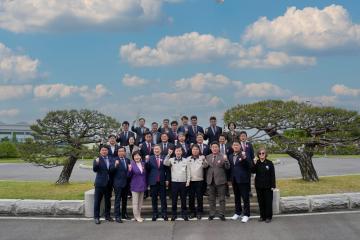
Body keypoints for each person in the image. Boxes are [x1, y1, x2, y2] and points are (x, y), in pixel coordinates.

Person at [164, 147, 191, 221]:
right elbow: (165, 163)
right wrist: (168, 154)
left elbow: (188, 171)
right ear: (175, 152)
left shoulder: (186, 160)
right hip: (174, 183)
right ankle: (174, 214)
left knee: (183, 199)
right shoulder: (171, 160)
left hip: (183, 182)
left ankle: (184, 214)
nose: (178, 152)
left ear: (181, 152)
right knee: (174, 200)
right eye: (177, 151)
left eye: (179, 151)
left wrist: (188, 181)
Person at [206, 142, 230, 221]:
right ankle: (212, 213)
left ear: (218, 148)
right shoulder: (208, 157)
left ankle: (222, 213)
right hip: (211, 181)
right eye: (213, 147)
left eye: (216, 147)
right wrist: (203, 162)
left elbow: (227, 167)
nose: (214, 148)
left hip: (220, 180)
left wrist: (226, 160)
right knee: (211, 199)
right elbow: (205, 167)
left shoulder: (223, 156)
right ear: (211, 148)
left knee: (222, 198)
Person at [228, 141, 251, 223]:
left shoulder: (244, 154)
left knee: (245, 198)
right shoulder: (230, 156)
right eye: (234, 145)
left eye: (237, 145)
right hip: (234, 180)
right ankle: (238, 212)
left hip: (243, 180)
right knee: (237, 197)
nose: (235, 146)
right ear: (232, 147)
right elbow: (231, 168)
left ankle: (246, 214)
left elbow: (249, 166)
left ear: (240, 146)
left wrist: (244, 159)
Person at [145, 145, 170, 221]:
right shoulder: (150, 158)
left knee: (163, 199)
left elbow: (167, 170)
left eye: (158, 149)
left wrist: (167, 179)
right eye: (155, 149)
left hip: (162, 181)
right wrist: (146, 161)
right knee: (154, 199)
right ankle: (155, 214)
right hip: (153, 181)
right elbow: (147, 169)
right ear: (153, 150)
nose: (156, 150)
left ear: (161, 150)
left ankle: (164, 213)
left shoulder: (164, 157)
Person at [252, 148, 276, 223]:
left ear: (265, 154)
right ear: (258, 155)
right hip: (259, 186)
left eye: (263, 153)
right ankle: (262, 216)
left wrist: (273, 185)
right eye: (260, 153)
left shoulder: (269, 163)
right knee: (261, 202)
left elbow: (272, 175)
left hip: (268, 186)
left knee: (268, 202)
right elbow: (252, 171)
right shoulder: (257, 162)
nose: (261, 155)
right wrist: (254, 163)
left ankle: (268, 217)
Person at [93, 146, 113, 224]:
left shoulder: (111, 159)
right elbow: (95, 169)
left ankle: (107, 216)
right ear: (100, 151)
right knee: (97, 201)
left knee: (108, 201)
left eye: (105, 150)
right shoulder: (97, 159)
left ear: (108, 151)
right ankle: (96, 217)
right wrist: (97, 163)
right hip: (99, 184)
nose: (104, 151)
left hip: (109, 184)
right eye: (103, 150)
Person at [187, 144, 208, 219]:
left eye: (196, 149)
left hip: (199, 180)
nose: (195, 151)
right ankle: (192, 212)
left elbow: (206, 166)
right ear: (191, 150)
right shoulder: (188, 158)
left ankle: (199, 212)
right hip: (191, 181)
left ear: (199, 150)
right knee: (191, 197)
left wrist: (204, 159)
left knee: (199, 197)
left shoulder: (201, 158)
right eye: (193, 149)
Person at [128, 151, 147, 222]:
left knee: (140, 202)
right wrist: (129, 170)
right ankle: (136, 216)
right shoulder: (131, 165)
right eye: (135, 156)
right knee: (135, 203)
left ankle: (138, 215)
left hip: (142, 185)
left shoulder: (143, 164)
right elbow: (128, 176)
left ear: (140, 157)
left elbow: (145, 175)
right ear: (133, 157)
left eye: (138, 155)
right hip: (135, 186)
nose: (137, 157)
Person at [112, 147, 130, 223]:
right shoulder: (114, 160)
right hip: (118, 183)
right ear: (117, 152)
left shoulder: (127, 160)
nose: (121, 152)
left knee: (125, 200)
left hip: (126, 183)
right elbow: (111, 171)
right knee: (117, 200)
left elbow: (129, 171)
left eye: (122, 151)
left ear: (125, 153)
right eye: (119, 151)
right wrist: (115, 165)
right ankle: (117, 216)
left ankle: (124, 214)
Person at [239, 131, 255, 196]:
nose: (243, 137)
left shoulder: (249, 144)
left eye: (244, 136)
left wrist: (253, 164)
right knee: (240, 178)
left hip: (248, 164)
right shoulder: (237, 144)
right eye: (241, 136)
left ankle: (249, 191)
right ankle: (241, 191)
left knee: (248, 178)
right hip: (240, 164)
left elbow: (252, 155)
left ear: (246, 137)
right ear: (240, 137)